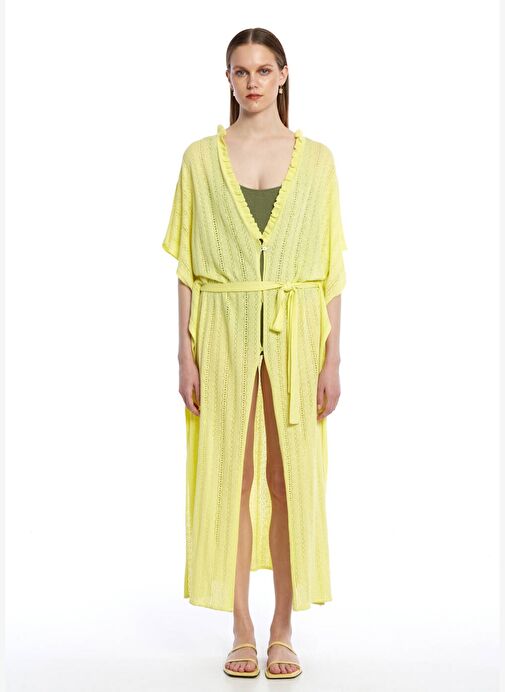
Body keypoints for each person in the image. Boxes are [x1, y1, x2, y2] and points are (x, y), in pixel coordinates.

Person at [162, 27, 348, 680]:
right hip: (222, 330)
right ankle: (241, 628)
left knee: (289, 478)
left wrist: (332, 360)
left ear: (283, 75)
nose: (252, 82)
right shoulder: (199, 158)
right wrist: (184, 355)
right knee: (231, 478)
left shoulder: (317, 161)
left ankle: (282, 629)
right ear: (228, 79)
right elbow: (186, 267)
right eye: (240, 71)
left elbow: (331, 270)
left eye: (263, 70)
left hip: (298, 336)